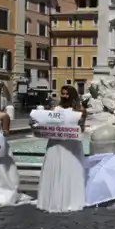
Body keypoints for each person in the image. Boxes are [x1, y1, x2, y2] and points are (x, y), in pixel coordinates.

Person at [36, 85, 87, 213]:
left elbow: (82, 128)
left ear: (73, 95)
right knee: (54, 167)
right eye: (62, 94)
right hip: (56, 142)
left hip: (71, 143)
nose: (63, 96)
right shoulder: (55, 109)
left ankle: (71, 200)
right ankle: (53, 199)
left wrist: (76, 127)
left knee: (71, 168)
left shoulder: (80, 110)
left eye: (66, 94)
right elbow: (47, 123)